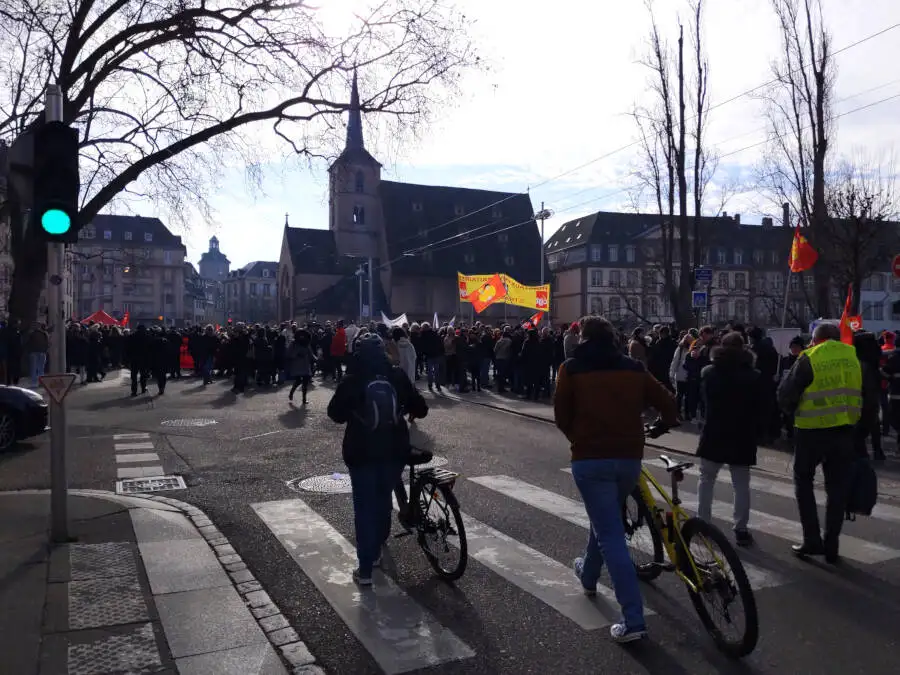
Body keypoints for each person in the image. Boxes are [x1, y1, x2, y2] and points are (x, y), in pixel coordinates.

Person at [553, 315, 678, 643]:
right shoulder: (634, 368)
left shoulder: (571, 368)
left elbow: (561, 416)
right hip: (628, 459)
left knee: (610, 533)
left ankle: (633, 619)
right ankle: (588, 574)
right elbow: (668, 402)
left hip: (590, 460)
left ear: (582, 337)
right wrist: (663, 425)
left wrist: (578, 438)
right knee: (606, 521)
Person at [327, 333, 428, 586]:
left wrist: (354, 411)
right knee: (384, 497)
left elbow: (334, 413)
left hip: (360, 450)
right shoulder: (396, 375)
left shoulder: (353, 379)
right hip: (394, 449)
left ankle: (365, 569)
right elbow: (422, 409)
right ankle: (380, 539)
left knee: (363, 506)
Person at [778, 322, 864, 563]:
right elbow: (867, 395)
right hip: (844, 431)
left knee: (803, 482)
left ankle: (811, 540)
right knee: (837, 489)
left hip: (811, 431)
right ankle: (832, 544)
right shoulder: (852, 358)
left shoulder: (809, 358)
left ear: (816, 340)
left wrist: (790, 416)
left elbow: (785, 395)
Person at [696, 331, 763, 547]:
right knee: (741, 484)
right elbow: (761, 408)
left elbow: (703, 402)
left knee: (706, 480)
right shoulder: (754, 377)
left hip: (714, 431)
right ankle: (741, 529)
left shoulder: (709, 373)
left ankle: (704, 523)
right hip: (742, 434)